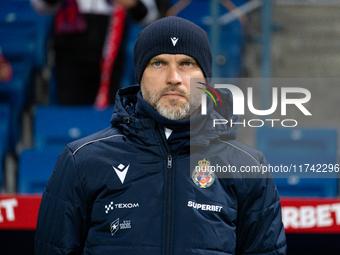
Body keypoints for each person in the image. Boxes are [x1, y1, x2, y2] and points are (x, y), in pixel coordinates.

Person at [34, 16, 287, 254]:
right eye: (158, 63)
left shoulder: (249, 168)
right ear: (139, 76)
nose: (173, 78)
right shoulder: (82, 161)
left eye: (187, 64)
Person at [30, 0, 159, 105]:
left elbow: (149, 15)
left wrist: (133, 4)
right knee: (69, 112)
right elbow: (40, 6)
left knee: (109, 113)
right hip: (69, 48)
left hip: (111, 47)